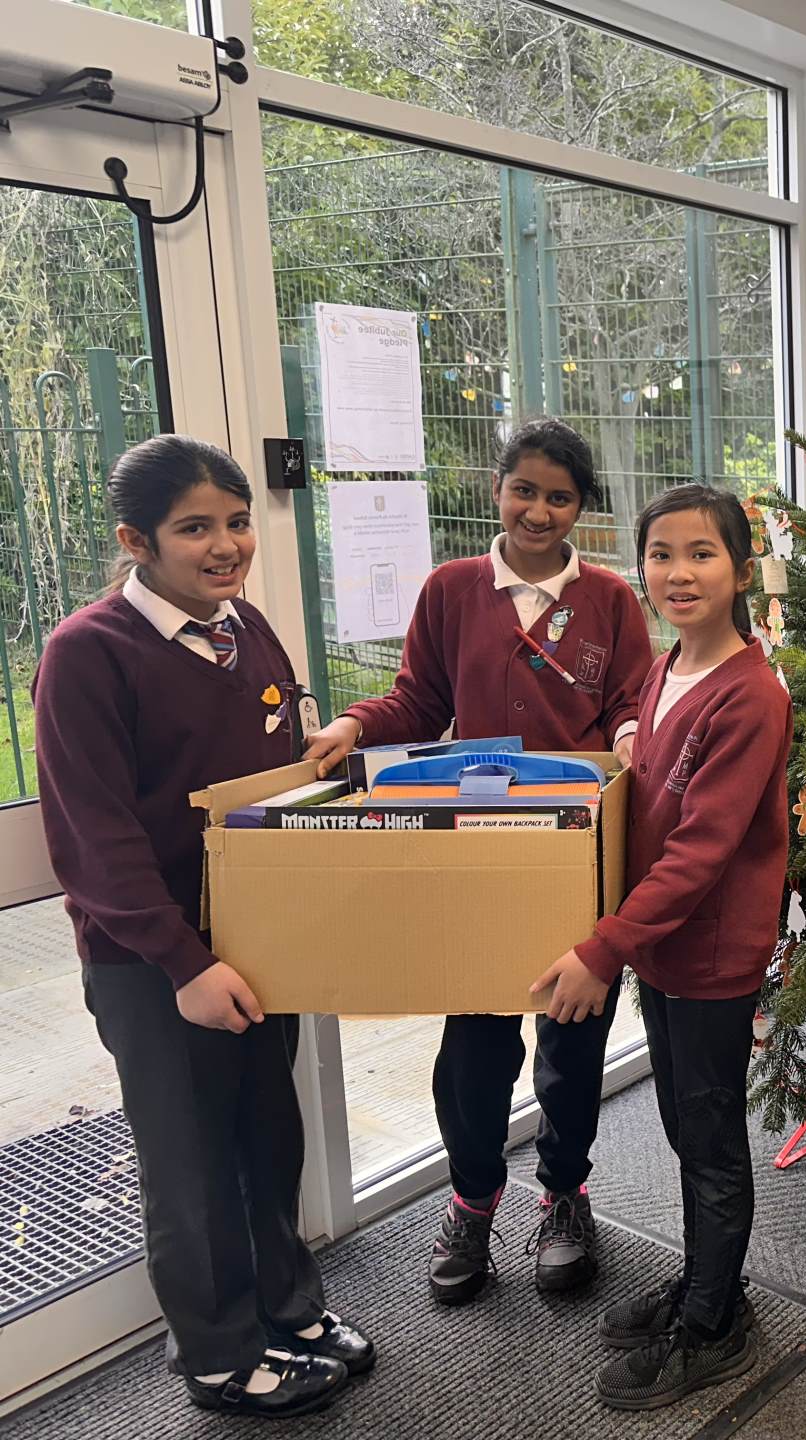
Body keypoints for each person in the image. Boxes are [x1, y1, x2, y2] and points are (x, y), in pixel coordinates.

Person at [33, 435, 374, 1419]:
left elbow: (273, 779)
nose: (225, 546)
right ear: (136, 541)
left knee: (269, 1137)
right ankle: (220, 1354)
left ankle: (289, 1310)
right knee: (191, 1163)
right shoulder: (87, 654)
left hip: (258, 943)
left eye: (236, 522)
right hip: (156, 963)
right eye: (194, 529)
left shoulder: (245, 629)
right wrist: (183, 963)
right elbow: (95, 840)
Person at [303, 417, 653, 1302]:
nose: (539, 511)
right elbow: (417, 701)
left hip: (575, 852)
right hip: (477, 848)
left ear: (581, 508)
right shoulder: (452, 590)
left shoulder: (610, 599)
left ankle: (565, 1195)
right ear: (497, 489)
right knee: (475, 1046)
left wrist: (629, 736)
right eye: (523, 490)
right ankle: (471, 1201)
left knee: (573, 1042)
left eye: (560, 497)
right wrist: (353, 723)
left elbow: (628, 703)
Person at [529, 483, 791, 1412]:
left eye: (702, 554)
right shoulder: (667, 666)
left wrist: (603, 949)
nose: (679, 573)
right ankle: (707, 1283)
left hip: (711, 956)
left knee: (710, 1141)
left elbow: (700, 851)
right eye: (661, 554)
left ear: (742, 571)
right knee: (685, 1129)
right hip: (667, 952)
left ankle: (715, 1329)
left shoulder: (750, 694)